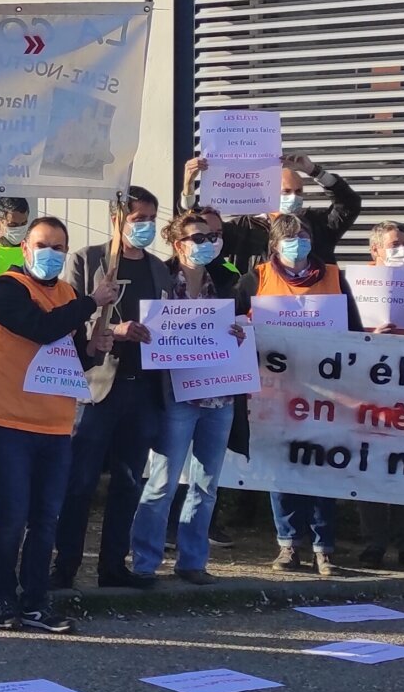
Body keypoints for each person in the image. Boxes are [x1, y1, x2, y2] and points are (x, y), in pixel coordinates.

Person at [0, 216, 99, 632]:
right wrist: (91, 303)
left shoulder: (67, 293)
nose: (52, 254)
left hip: (56, 424)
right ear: (25, 249)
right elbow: (41, 329)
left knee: (46, 518)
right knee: (13, 515)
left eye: (60, 247)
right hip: (10, 421)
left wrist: (98, 345)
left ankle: (35, 600)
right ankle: (2, 597)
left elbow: (73, 356)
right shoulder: (6, 290)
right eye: (44, 245)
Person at [50, 188, 165, 596]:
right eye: (138, 218)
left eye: (151, 218)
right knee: (79, 483)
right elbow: (68, 318)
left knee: (129, 481)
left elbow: (175, 323)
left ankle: (114, 565)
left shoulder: (159, 269)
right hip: (97, 389)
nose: (146, 226)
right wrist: (111, 331)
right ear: (117, 220)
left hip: (143, 390)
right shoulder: (87, 259)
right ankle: (64, 566)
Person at [126, 209, 247, 585]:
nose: (207, 244)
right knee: (162, 481)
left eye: (211, 237)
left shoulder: (226, 280)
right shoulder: (160, 279)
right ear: (178, 244)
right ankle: (145, 562)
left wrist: (239, 333)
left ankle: (192, 561)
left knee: (207, 483)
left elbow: (239, 325)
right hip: (176, 395)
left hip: (219, 396)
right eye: (198, 238)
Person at [241, 208, 363, 577]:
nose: (298, 244)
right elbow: (234, 327)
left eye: (304, 236)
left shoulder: (333, 278)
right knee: (282, 468)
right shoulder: (254, 279)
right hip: (275, 393)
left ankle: (324, 549)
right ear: (274, 245)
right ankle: (288, 545)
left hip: (326, 394)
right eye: (290, 238)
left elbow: (355, 331)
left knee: (322, 467)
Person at [350, 219, 404, 570]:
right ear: (375, 250)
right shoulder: (354, 286)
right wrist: (369, 335)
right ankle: (374, 543)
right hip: (367, 388)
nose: (402, 249)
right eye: (394, 244)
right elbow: (340, 334)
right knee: (370, 464)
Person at [182, 150, 363, 269]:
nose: (294, 197)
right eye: (286, 191)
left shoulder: (318, 225)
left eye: (298, 191)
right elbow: (197, 225)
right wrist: (189, 185)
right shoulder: (243, 229)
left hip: (309, 311)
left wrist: (314, 171)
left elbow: (349, 204)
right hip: (257, 309)